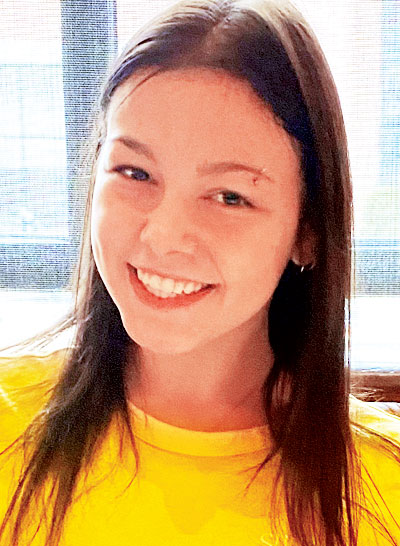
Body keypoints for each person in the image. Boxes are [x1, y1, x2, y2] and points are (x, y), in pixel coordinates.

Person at [0, 0, 399, 544]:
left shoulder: (382, 490)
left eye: (230, 196)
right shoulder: (9, 422)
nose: (162, 236)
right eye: (134, 172)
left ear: (308, 229)